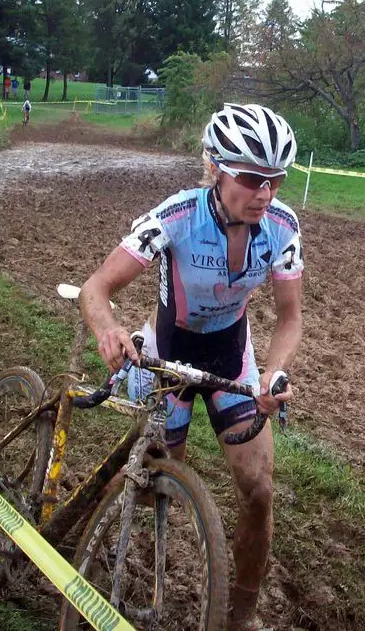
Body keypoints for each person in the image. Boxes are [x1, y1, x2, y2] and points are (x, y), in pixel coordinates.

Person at [80, 103, 302, 631]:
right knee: (163, 475)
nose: (264, 193)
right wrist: (108, 330)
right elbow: (97, 288)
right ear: (215, 169)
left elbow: (291, 317)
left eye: (275, 180)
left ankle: (238, 615)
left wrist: (272, 373)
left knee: (259, 490)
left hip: (232, 356)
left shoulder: (282, 226)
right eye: (251, 178)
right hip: (167, 357)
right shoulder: (175, 217)